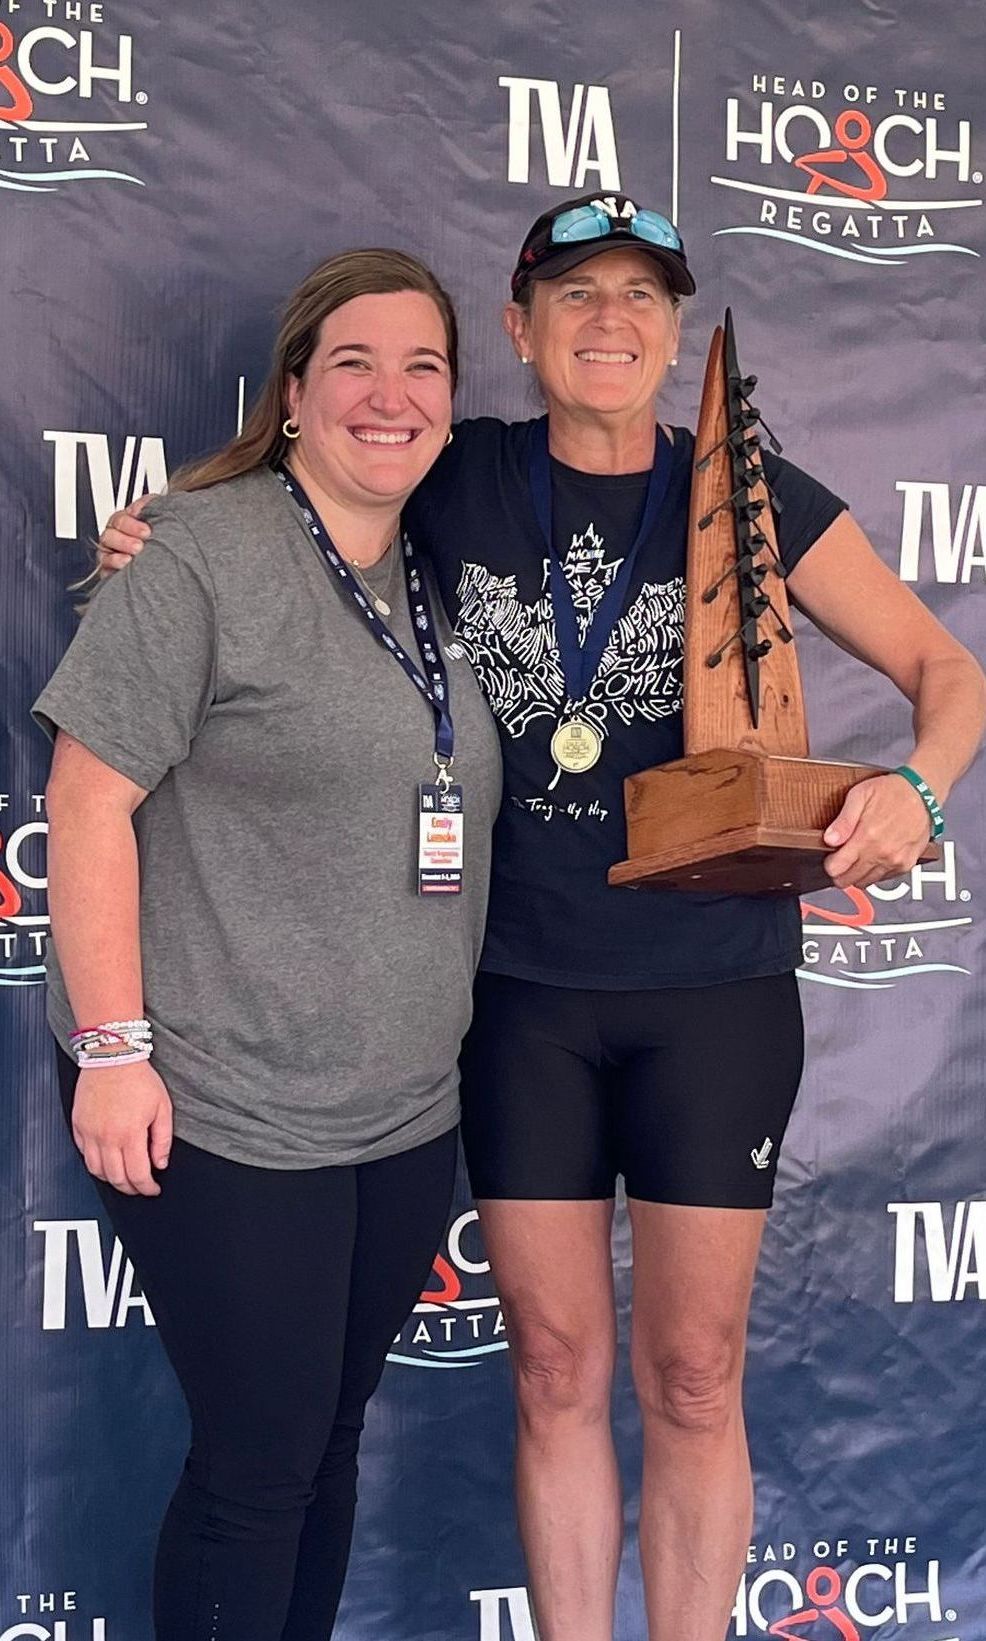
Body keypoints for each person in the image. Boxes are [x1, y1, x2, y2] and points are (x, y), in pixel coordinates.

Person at [96, 192, 986, 1641]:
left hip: (713, 991)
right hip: (515, 998)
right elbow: (291, 519)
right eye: (575, 297)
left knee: (693, 1376)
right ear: (518, 332)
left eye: (640, 296)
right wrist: (173, 541)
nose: (610, 322)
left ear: (677, 329)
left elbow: (949, 674)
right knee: (555, 1368)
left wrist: (920, 792)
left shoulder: (740, 491)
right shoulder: (453, 471)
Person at [34, 247, 502, 1641]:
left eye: (423, 365)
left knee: (325, 1444)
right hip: (229, 1107)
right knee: (256, 1467)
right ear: (292, 394)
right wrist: (114, 1051)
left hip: (404, 1110)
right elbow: (85, 797)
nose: (389, 393)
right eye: (353, 361)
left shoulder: (447, 573)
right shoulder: (200, 552)